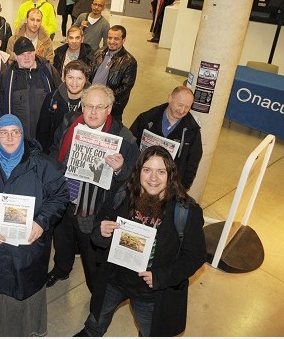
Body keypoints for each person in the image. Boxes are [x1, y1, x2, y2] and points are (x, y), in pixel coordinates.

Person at [74, 145, 207, 337]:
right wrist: (101, 231)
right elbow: (98, 226)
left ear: (171, 175)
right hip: (114, 278)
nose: (153, 178)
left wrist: (161, 276)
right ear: (138, 172)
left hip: (150, 292)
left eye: (161, 171)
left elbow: (195, 255)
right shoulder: (122, 193)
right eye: (147, 170)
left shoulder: (186, 211)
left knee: (150, 331)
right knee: (96, 319)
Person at [0, 114, 69, 336]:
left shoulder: (43, 165)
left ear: (23, 134)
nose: (9, 138)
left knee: (24, 284)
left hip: (28, 247)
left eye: (15, 132)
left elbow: (60, 196)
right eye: (4, 132)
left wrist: (41, 222)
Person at [47, 85, 139, 292]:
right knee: (62, 241)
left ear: (109, 108)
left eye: (100, 107)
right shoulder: (70, 122)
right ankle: (61, 269)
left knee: (91, 255)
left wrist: (120, 169)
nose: (93, 112)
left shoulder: (124, 138)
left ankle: (96, 290)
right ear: (82, 106)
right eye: (89, 106)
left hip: (93, 208)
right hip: (64, 198)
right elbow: (55, 149)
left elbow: (133, 178)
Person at [129, 86, 203, 190]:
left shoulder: (192, 131)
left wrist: (183, 188)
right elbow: (130, 146)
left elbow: (193, 162)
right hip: (142, 182)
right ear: (170, 98)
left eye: (187, 107)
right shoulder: (146, 119)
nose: (182, 110)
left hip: (171, 188)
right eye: (180, 105)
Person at [0, 36, 61, 138]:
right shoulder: (6, 78)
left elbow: (60, 96)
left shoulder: (48, 72)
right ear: (15, 57)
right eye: (22, 54)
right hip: (18, 138)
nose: (27, 57)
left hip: (45, 137)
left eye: (30, 53)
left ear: (35, 52)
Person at [36, 60, 90, 155]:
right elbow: (42, 131)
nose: (74, 82)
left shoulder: (92, 102)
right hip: (53, 153)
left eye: (79, 78)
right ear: (64, 78)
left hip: (79, 154)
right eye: (70, 77)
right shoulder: (52, 98)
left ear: (86, 80)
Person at [88, 25, 138, 122]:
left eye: (116, 39)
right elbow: (89, 73)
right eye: (110, 38)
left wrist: (104, 99)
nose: (111, 41)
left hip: (112, 107)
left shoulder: (129, 62)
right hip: (91, 100)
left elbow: (125, 88)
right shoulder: (99, 53)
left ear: (123, 40)